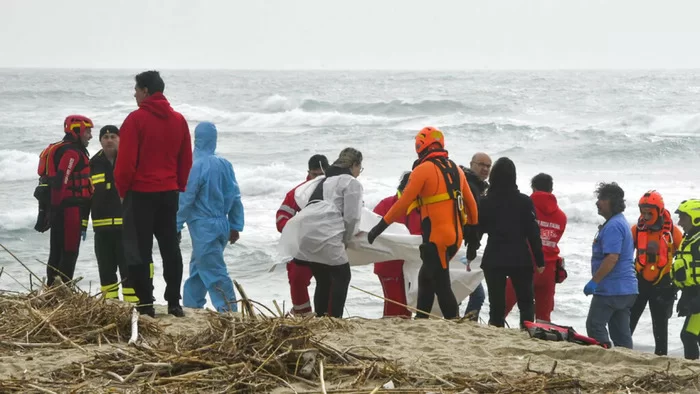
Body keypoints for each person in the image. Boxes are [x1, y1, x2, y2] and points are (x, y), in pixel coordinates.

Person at [368, 127, 479, 319]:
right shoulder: (456, 170)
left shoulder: (422, 170)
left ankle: (453, 322)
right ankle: (421, 319)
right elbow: (471, 205)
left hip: (437, 238)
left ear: (420, 146)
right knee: (426, 277)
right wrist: (473, 236)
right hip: (456, 237)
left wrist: (378, 228)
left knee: (441, 284)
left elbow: (402, 203)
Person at [114, 70, 193, 318]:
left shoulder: (135, 120)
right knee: (170, 247)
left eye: (136, 89)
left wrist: (122, 190)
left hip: (140, 193)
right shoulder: (179, 120)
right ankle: (173, 303)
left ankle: (146, 303)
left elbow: (125, 163)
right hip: (168, 192)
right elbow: (186, 159)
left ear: (146, 91)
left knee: (139, 250)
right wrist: (178, 184)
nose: (134, 94)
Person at [176, 122, 244, 313]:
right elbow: (235, 196)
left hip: (203, 226)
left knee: (214, 271)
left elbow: (186, 198)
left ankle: (229, 312)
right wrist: (235, 225)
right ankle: (191, 306)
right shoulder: (224, 164)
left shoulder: (194, 165)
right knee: (199, 268)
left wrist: (176, 224)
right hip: (222, 223)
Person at [475, 157, 545, 328]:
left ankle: (496, 331)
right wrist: (540, 260)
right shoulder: (524, 201)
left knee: (496, 305)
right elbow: (533, 233)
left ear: (493, 177)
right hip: (519, 257)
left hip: (494, 257)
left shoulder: (485, 201)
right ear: (513, 176)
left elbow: (477, 230)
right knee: (526, 302)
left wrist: (470, 252)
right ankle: (526, 332)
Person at [294, 148, 364, 318]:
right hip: (327, 234)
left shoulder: (325, 181)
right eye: (359, 168)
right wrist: (346, 240)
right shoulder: (351, 183)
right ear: (354, 164)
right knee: (343, 275)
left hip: (307, 233)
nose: (359, 173)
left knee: (323, 279)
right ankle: (335, 318)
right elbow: (352, 217)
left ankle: (320, 317)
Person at [36, 115, 94, 286]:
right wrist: (56, 210)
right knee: (69, 251)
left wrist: (51, 211)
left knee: (56, 251)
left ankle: (52, 290)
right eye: (88, 131)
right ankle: (63, 291)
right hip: (68, 210)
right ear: (77, 130)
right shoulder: (71, 153)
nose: (90, 136)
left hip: (59, 209)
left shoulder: (63, 148)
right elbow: (62, 180)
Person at [504, 173, 567, 323]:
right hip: (549, 269)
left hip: (524, 265)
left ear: (533, 188)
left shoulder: (525, 207)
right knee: (543, 318)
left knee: (502, 307)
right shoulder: (561, 216)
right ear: (551, 190)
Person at [629, 190, 683, 356]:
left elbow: (684, 258)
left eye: (649, 212)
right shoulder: (635, 230)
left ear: (659, 211)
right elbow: (624, 256)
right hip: (639, 282)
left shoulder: (674, 233)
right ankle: (621, 351)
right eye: (642, 212)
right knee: (628, 321)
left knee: (660, 326)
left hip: (663, 283)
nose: (645, 216)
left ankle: (661, 357)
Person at [584, 182, 637, 349]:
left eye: (602, 199)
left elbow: (612, 258)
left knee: (595, 326)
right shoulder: (620, 222)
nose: (597, 202)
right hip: (627, 289)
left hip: (611, 289)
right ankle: (626, 361)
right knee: (621, 333)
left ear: (613, 202)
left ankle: (605, 356)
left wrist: (594, 281)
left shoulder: (614, 226)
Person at [276, 154, 330, 316]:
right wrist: (295, 229)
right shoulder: (298, 193)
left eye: (322, 174)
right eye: (315, 174)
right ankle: (302, 313)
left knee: (332, 280)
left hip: (327, 244)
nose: (318, 178)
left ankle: (328, 315)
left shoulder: (335, 190)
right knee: (297, 276)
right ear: (308, 173)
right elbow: (281, 218)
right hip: (302, 246)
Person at [89, 125, 137, 303]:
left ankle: (133, 305)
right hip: (102, 230)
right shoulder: (92, 164)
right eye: (105, 137)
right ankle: (110, 305)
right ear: (100, 140)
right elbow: (86, 196)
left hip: (126, 228)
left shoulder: (129, 160)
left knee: (129, 270)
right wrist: (82, 224)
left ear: (120, 139)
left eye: (113, 136)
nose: (109, 140)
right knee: (106, 270)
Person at [372, 171, 422, 318]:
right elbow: (372, 231)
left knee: (408, 305)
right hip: (388, 264)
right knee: (394, 304)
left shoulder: (421, 207)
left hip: (412, 265)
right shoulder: (386, 204)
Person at [460, 152, 491, 321]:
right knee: (477, 294)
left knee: (461, 287)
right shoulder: (470, 185)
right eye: (481, 165)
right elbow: (473, 221)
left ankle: (460, 322)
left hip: (464, 246)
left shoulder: (478, 186)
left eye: (488, 166)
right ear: (472, 164)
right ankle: (465, 324)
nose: (485, 169)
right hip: (460, 246)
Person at [670, 199, 700, 360]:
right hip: (692, 294)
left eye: (683, 218)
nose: (679, 222)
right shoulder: (689, 240)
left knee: (688, 335)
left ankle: (692, 371)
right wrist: (683, 296)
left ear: (696, 218)